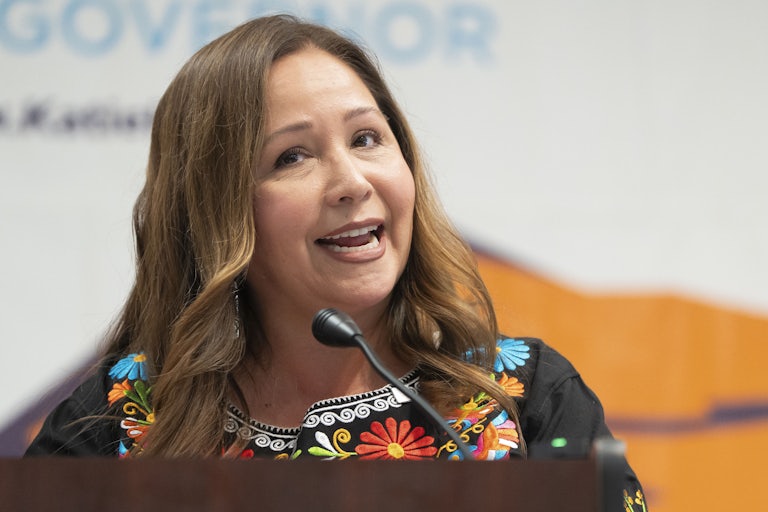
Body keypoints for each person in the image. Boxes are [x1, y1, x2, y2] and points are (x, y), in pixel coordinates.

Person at [26, 14, 645, 510]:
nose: (351, 181)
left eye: (366, 138)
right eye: (292, 157)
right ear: (216, 211)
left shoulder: (520, 396)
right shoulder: (119, 417)